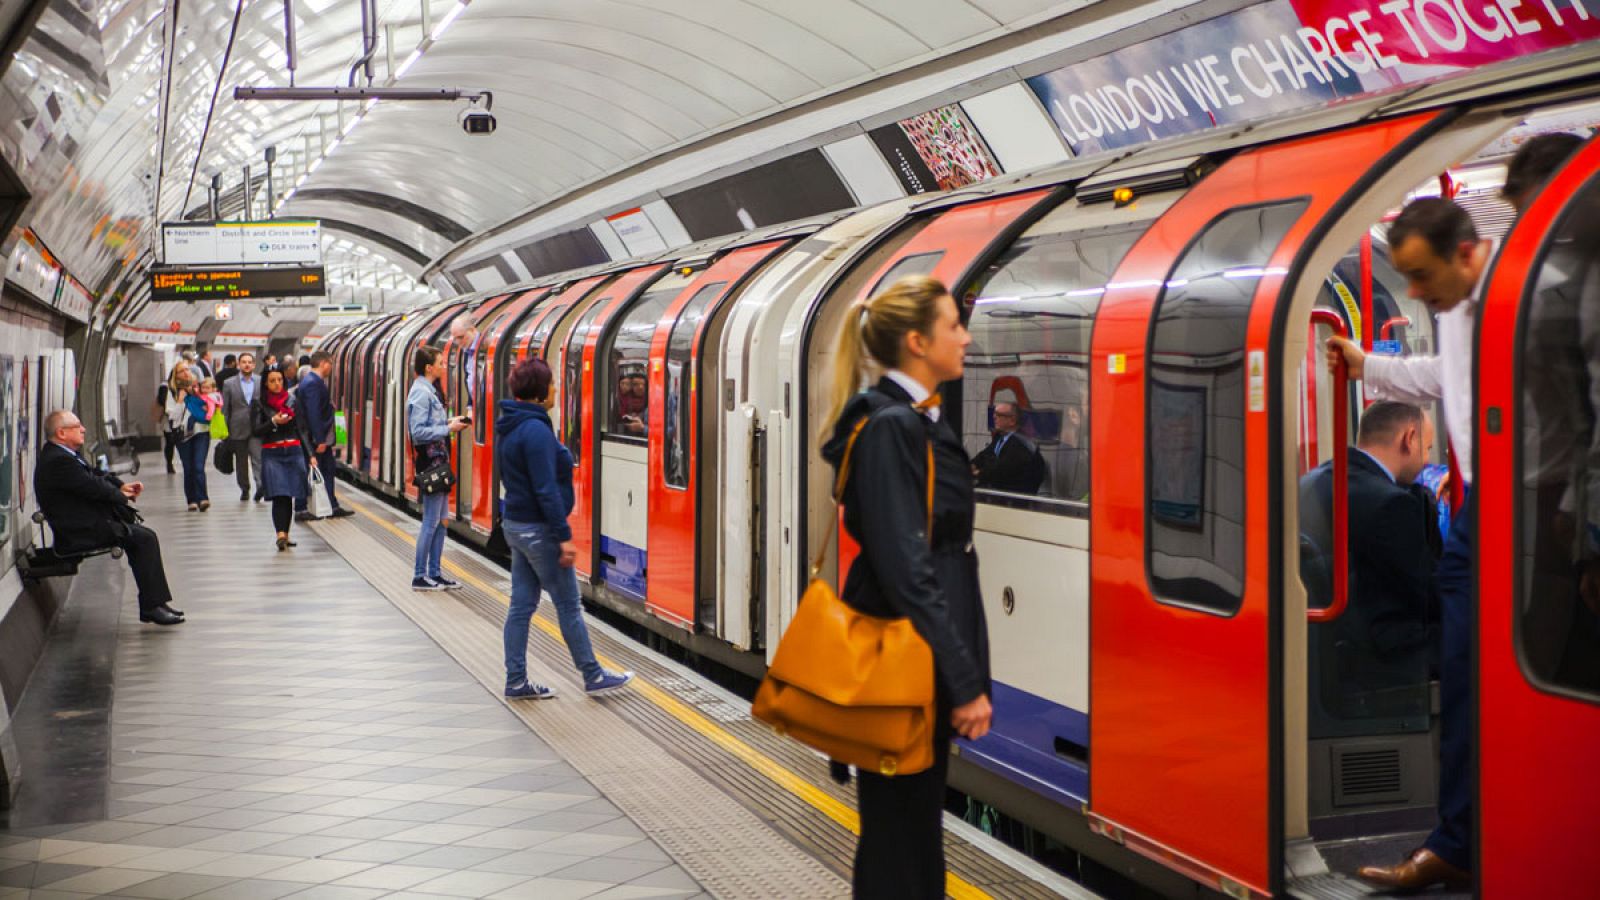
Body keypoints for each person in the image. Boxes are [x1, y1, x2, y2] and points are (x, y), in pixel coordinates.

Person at [1328, 199, 1487, 892]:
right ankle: (1460, 836)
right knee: (1463, 673)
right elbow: (1442, 379)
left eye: (1420, 276)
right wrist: (1370, 368)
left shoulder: (1524, 302)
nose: (1414, 294)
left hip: (1532, 502)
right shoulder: (1457, 312)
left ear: (1468, 255)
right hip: (1485, 505)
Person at [818, 275, 992, 899]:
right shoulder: (894, 426)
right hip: (902, 662)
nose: (965, 339)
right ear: (917, 342)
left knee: (911, 832)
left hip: (911, 660)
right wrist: (964, 680)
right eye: (953, 326)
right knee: (900, 838)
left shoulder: (911, 421)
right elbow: (906, 566)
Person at [497, 358, 634, 699]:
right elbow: (545, 490)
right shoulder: (536, 431)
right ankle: (592, 674)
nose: (556, 389)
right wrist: (563, 537)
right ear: (541, 392)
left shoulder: (510, 425)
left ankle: (516, 681)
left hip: (515, 524)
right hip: (539, 530)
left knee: (522, 605)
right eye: (553, 384)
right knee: (569, 604)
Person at [1301, 402, 1439, 705]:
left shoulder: (1314, 480)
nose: (1428, 461)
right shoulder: (1391, 506)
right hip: (1381, 657)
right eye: (1427, 448)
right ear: (1409, 438)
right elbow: (1429, 596)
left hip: (1332, 651)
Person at [35, 410, 184, 626]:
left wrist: (121, 486)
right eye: (78, 426)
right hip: (79, 530)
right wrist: (121, 496)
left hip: (86, 522)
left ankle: (155, 605)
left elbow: (96, 475)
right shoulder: (58, 461)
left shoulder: (63, 454)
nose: (84, 429)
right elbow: (92, 487)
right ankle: (153, 607)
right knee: (144, 539)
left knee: (142, 538)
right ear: (62, 433)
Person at [408, 346, 470, 591]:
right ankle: (419, 575)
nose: (444, 368)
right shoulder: (421, 393)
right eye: (441, 364)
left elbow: (428, 425)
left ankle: (435, 572)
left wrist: (449, 422)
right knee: (431, 521)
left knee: (442, 520)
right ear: (428, 367)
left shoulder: (427, 391)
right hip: (430, 463)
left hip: (439, 461)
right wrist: (447, 430)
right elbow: (418, 432)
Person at [294, 351, 353, 521]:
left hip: (316, 437)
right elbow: (313, 413)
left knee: (326, 469)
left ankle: (331, 505)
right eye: (331, 364)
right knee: (315, 470)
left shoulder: (311, 381)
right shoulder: (313, 383)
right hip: (316, 438)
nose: (331, 368)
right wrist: (319, 439)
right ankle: (301, 507)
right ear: (324, 364)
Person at [253, 369, 308, 552]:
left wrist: (311, 455)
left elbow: (301, 429)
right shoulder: (259, 404)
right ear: (266, 384)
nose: (277, 383)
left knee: (290, 495)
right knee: (279, 494)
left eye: (279, 380)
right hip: (273, 454)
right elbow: (256, 430)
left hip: (293, 451)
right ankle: (280, 534)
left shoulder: (293, 402)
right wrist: (274, 422)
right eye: (272, 381)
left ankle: (286, 533)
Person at [971, 401, 1045, 495]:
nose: (994, 417)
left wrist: (978, 473)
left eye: (999, 415)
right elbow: (983, 456)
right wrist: (970, 466)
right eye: (994, 414)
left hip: (1016, 499)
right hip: (998, 494)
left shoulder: (1022, 443)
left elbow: (999, 470)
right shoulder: (1000, 437)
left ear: (1012, 421)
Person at [222, 353, 263, 501]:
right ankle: (244, 488)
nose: (247, 365)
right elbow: (225, 409)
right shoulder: (229, 384)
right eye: (244, 362)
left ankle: (260, 487)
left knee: (258, 458)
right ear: (239, 364)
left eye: (250, 362)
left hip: (256, 427)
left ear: (253, 365)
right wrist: (224, 430)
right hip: (236, 427)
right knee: (241, 462)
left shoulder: (260, 381)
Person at [174, 371, 212, 512]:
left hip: (201, 433)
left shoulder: (205, 398)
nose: (195, 389)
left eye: (197, 385)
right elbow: (172, 416)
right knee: (188, 467)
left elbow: (212, 413)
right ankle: (191, 499)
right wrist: (180, 401)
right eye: (191, 386)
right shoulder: (176, 396)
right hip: (183, 435)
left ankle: (203, 498)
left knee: (198, 466)